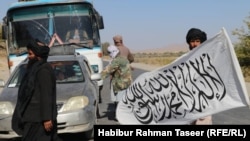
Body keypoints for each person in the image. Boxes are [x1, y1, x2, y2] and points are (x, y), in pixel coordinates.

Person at [12, 39, 60, 141]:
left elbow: (46, 95)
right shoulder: (34, 69)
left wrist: (47, 118)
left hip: (39, 120)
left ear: (38, 55)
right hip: (31, 119)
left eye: (30, 54)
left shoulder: (43, 70)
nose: (28, 57)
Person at [186, 28, 212, 125]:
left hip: (204, 101)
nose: (195, 44)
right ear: (189, 43)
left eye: (198, 41)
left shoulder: (208, 58)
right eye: (192, 41)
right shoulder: (185, 59)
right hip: (188, 102)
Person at [101, 45, 133, 110]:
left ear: (113, 52)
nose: (109, 55)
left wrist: (99, 76)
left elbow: (108, 70)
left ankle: (120, 116)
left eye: (109, 53)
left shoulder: (117, 60)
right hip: (127, 83)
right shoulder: (123, 59)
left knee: (119, 102)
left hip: (120, 84)